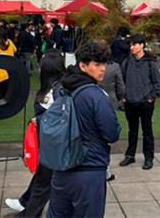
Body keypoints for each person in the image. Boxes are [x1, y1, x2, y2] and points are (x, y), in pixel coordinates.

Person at [46, 41, 121, 217]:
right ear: (83, 65)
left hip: (61, 166)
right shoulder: (96, 96)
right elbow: (112, 133)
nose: (102, 69)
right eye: (97, 64)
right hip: (89, 169)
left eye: (104, 64)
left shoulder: (61, 88)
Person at [4, 49, 65, 216]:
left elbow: (60, 116)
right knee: (42, 180)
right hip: (48, 143)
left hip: (53, 145)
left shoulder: (59, 89)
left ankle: (27, 211)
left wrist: (40, 120)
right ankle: (24, 203)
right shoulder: (53, 87)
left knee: (43, 184)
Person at [119, 34, 160, 170]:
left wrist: (150, 98)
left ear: (142, 45)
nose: (131, 47)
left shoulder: (151, 62)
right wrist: (124, 96)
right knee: (132, 130)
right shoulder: (127, 61)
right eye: (130, 45)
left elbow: (157, 84)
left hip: (145, 103)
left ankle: (148, 158)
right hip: (130, 102)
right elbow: (122, 80)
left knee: (147, 131)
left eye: (134, 44)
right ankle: (130, 155)